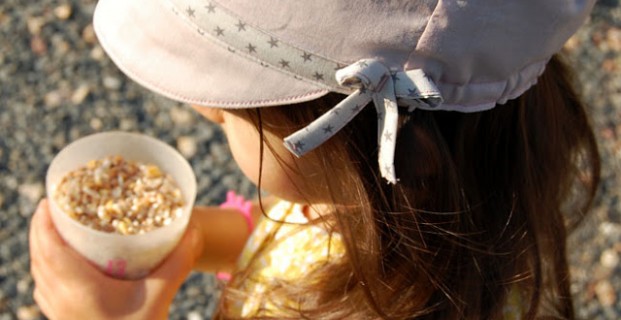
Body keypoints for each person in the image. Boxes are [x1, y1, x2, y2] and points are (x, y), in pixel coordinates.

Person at [29, 0, 601, 319]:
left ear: (400, 139)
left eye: (233, 111)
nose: (202, 109)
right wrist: (190, 238)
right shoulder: (409, 196)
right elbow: (306, 239)